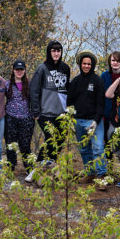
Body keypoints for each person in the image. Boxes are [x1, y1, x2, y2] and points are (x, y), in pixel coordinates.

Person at [27, 40, 71, 182]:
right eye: (53, 50)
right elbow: (33, 90)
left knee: (60, 140)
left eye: (58, 50)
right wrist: (35, 111)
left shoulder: (65, 68)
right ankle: (35, 170)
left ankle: (52, 167)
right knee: (51, 139)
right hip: (45, 113)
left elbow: (67, 90)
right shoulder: (42, 69)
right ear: (49, 52)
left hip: (61, 113)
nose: (56, 53)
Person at [68, 51, 107, 186]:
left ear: (93, 65)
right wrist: (70, 119)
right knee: (84, 149)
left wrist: (96, 121)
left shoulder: (98, 81)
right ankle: (90, 173)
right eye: (84, 63)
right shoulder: (76, 81)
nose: (86, 66)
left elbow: (101, 103)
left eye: (89, 64)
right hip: (78, 120)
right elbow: (69, 101)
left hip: (94, 121)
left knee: (98, 148)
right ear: (80, 64)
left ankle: (102, 176)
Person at [4, 59, 35, 175]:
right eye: (17, 69)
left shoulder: (30, 84)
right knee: (11, 145)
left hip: (26, 119)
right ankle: (11, 168)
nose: (19, 71)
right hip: (10, 118)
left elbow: (35, 100)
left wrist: (34, 114)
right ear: (13, 70)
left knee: (25, 145)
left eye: (21, 69)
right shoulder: (7, 84)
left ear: (25, 70)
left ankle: (29, 169)